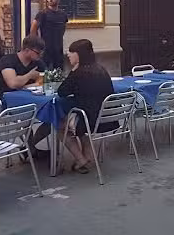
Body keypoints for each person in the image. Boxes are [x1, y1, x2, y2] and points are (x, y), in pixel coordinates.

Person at [28, 39, 117, 173]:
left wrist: (73, 71)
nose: (68, 55)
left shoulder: (79, 73)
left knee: (58, 124)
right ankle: (87, 157)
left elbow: (62, 91)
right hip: (106, 119)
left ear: (79, 55)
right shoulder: (101, 70)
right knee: (75, 122)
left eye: (71, 52)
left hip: (89, 120)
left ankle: (81, 159)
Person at [30, 0, 69, 70]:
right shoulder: (43, 13)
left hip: (58, 49)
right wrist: (37, 45)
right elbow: (33, 28)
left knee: (59, 72)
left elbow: (63, 29)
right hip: (45, 50)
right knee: (44, 72)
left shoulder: (63, 15)